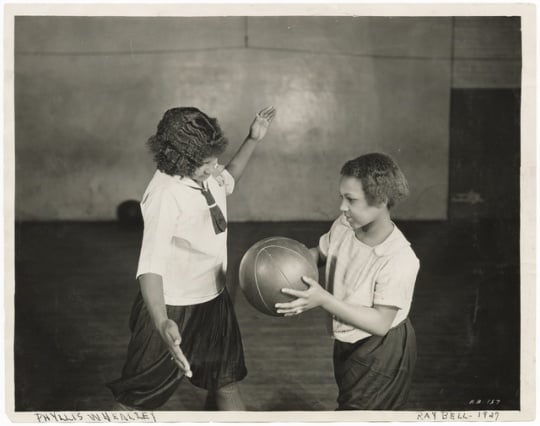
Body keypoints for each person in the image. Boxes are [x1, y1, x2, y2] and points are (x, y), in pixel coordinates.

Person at [107, 106, 276, 411]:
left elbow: (228, 177)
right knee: (136, 402)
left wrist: (252, 140)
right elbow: (150, 268)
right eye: (206, 163)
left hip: (213, 299)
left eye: (214, 160)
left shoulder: (204, 172)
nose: (214, 168)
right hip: (172, 307)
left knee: (225, 383)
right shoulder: (164, 194)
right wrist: (161, 322)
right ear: (178, 159)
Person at [275, 153, 419, 410]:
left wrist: (322, 299)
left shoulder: (399, 257)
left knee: (358, 413)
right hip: (347, 335)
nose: (342, 207)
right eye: (341, 197)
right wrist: (281, 266)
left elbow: (380, 323)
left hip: (381, 349)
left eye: (351, 200)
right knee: (350, 401)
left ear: (382, 200)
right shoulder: (344, 225)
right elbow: (319, 253)